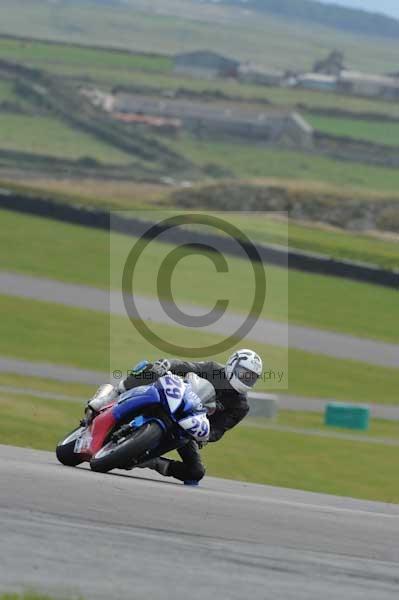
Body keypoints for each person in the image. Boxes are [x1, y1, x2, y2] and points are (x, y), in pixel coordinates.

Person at [86, 349, 263, 485]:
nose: (246, 379)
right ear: (233, 364)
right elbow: (190, 367)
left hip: (189, 425)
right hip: (174, 399)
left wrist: (205, 436)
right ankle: (111, 394)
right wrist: (168, 365)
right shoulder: (214, 370)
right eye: (244, 373)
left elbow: (220, 429)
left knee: (195, 473)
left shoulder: (241, 406)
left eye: (251, 377)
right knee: (151, 367)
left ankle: (151, 462)